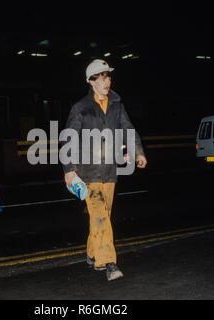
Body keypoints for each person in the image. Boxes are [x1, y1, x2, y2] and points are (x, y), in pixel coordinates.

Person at [63, 59, 147, 281]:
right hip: (87, 172)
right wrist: (69, 169)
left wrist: (137, 152)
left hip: (109, 171)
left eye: (107, 76)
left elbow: (128, 129)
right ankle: (109, 262)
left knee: (103, 215)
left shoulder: (117, 104)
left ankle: (92, 254)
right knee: (100, 216)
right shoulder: (80, 108)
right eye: (100, 78)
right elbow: (69, 139)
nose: (106, 81)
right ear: (91, 82)